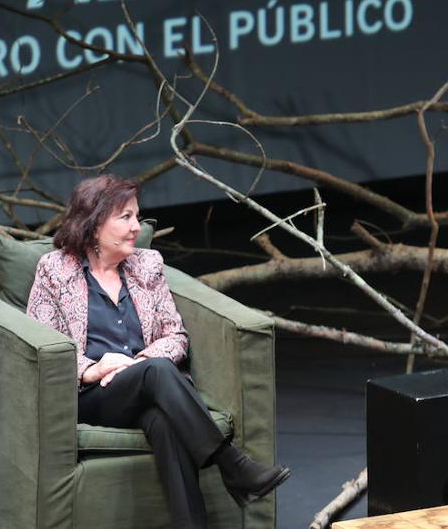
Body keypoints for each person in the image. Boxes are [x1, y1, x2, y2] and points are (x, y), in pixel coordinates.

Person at [26, 175, 290, 528]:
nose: (136, 227)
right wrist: (94, 368)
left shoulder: (147, 265)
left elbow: (175, 335)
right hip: (90, 393)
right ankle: (231, 464)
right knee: (159, 371)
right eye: (125, 217)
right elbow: (43, 344)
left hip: (144, 387)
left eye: (137, 216)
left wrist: (136, 366)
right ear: (92, 224)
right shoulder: (55, 270)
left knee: (162, 419)